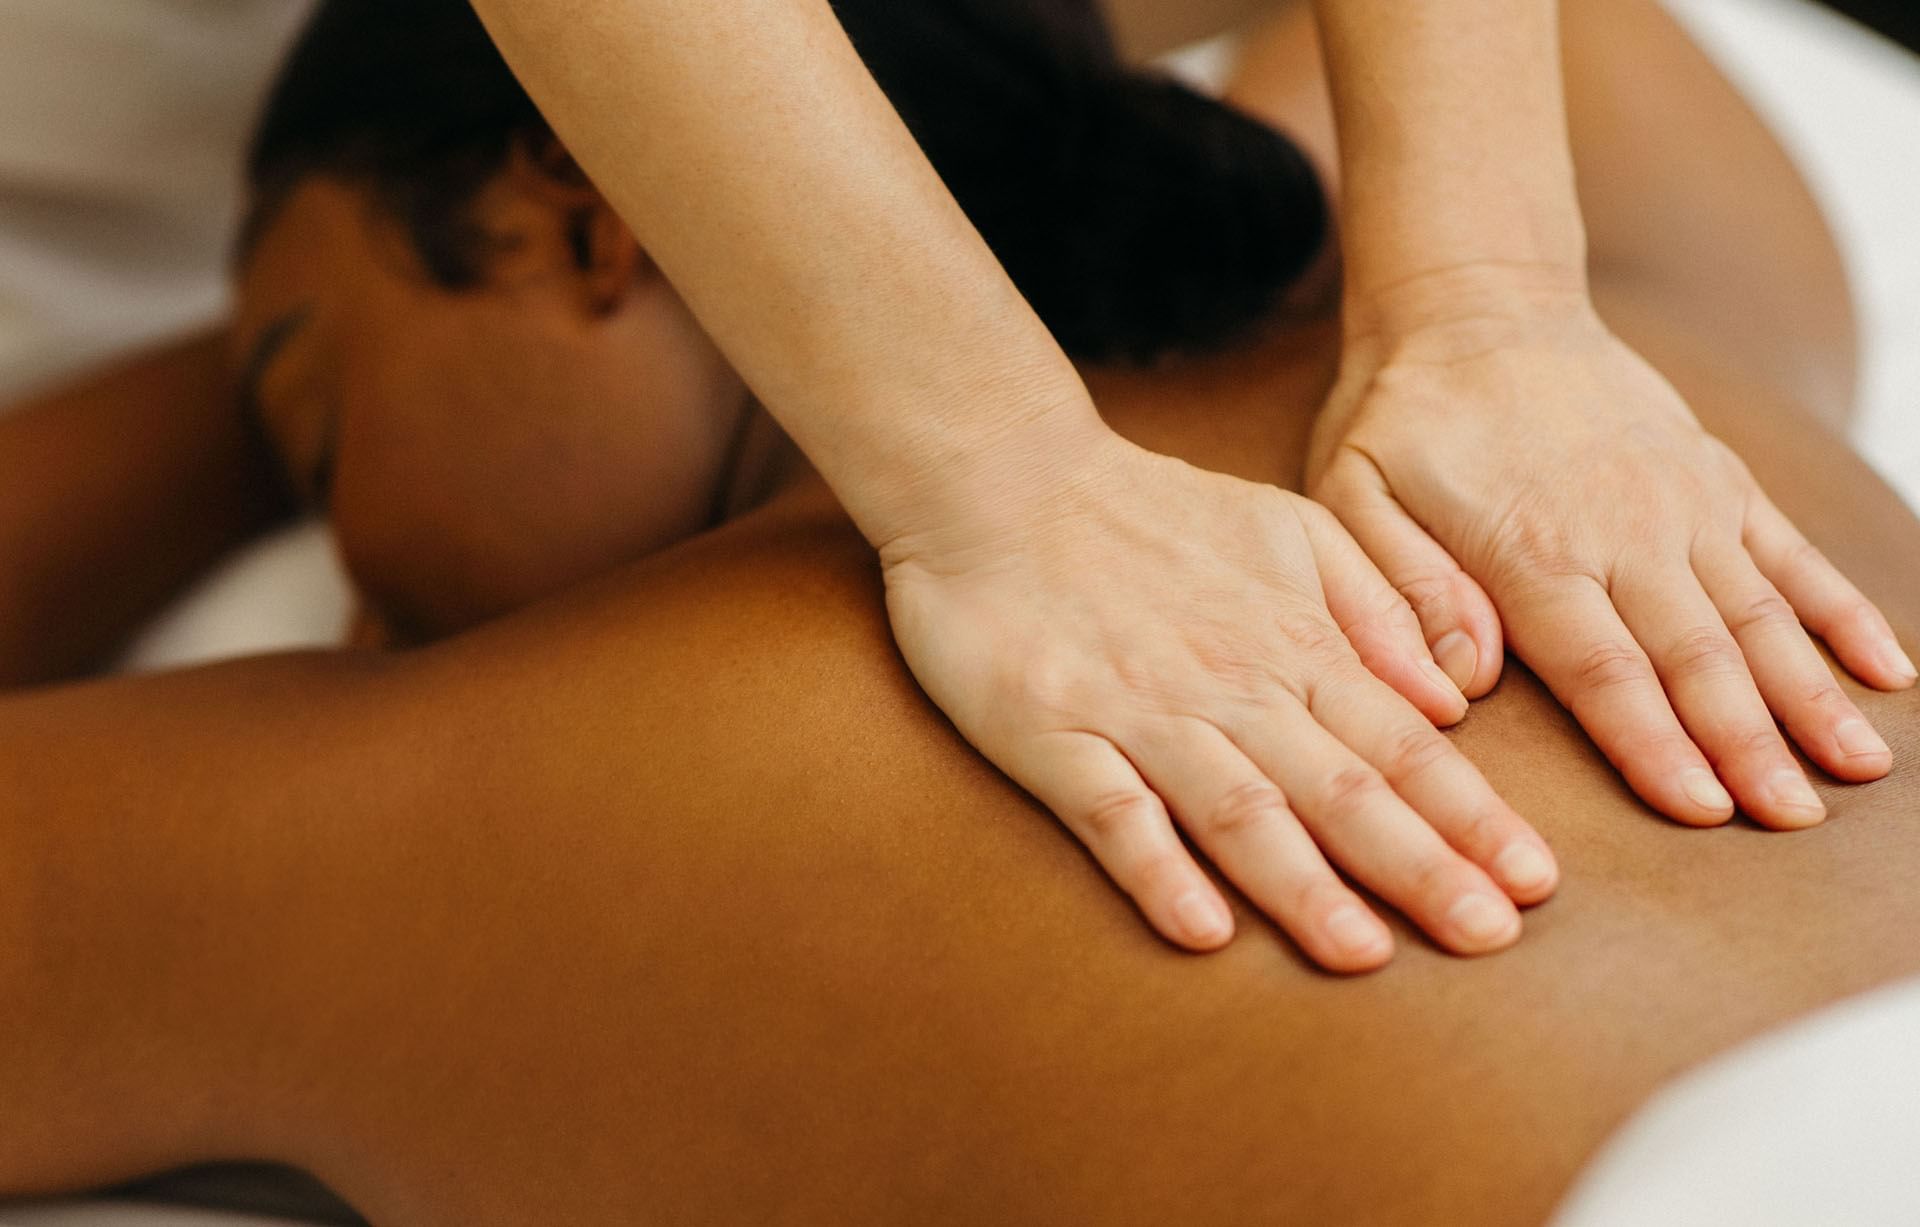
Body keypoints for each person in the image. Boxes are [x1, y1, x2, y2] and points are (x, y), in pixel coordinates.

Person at [0, 2, 1916, 1222]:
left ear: (580, 217)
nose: (354, 598)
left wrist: (226, 405)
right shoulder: (1645, 395)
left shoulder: (441, 804)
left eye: (315, 428)